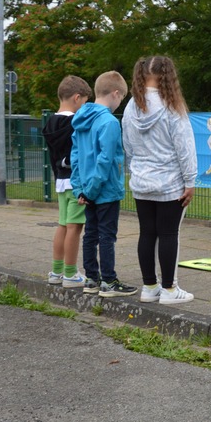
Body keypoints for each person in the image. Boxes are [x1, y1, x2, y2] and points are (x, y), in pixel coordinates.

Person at [122, 55, 198, 305]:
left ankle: (149, 287)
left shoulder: (132, 105)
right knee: (168, 234)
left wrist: (138, 167)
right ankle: (168, 289)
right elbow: (185, 147)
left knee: (147, 233)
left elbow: (128, 146)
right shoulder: (171, 106)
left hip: (142, 180)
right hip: (169, 182)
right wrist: (190, 180)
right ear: (167, 75)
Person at [71, 71, 136, 297]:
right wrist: (91, 190)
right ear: (116, 94)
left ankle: (91, 279)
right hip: (105, 191)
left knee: (90, 233)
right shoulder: (109, 122)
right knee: (107, 235)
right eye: (122, 99)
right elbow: (106, 159)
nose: (120, 104)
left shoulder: (80, 118)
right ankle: (108, 280)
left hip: (87, 190)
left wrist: (80, 189)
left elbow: (75, 157)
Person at [42, 75, 90, 288]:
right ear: (77, 98)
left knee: (62, 225)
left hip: (60, 181)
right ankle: (71, 273)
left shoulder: (51, 122)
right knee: (75, 228)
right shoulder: (75, 123)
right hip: (76, 182)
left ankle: (56, 271)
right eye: (85, 103)